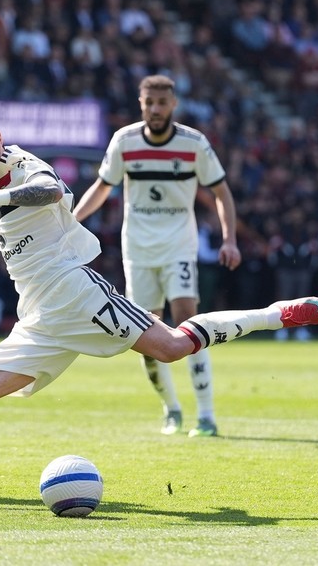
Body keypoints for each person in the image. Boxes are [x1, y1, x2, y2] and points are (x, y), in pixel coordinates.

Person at [0, 102, 318, 508]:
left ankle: (277, 314)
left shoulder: (19, 164)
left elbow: (51, 191)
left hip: (77, 292)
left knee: (172, 346)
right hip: (38, 317)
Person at [72, 75, 241, 438]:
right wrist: (72, 223)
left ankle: (207, 414)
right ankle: (171, 409)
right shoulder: (125, 141)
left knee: (186, 318)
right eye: (149, 103)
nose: (156, 110)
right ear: (141, 103)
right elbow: (103, 187)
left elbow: (222, 193)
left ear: (173, 105)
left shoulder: (194, 144)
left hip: (179, 245)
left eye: (162, 103)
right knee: (147, 331)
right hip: (138, 249)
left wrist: (229, 239)